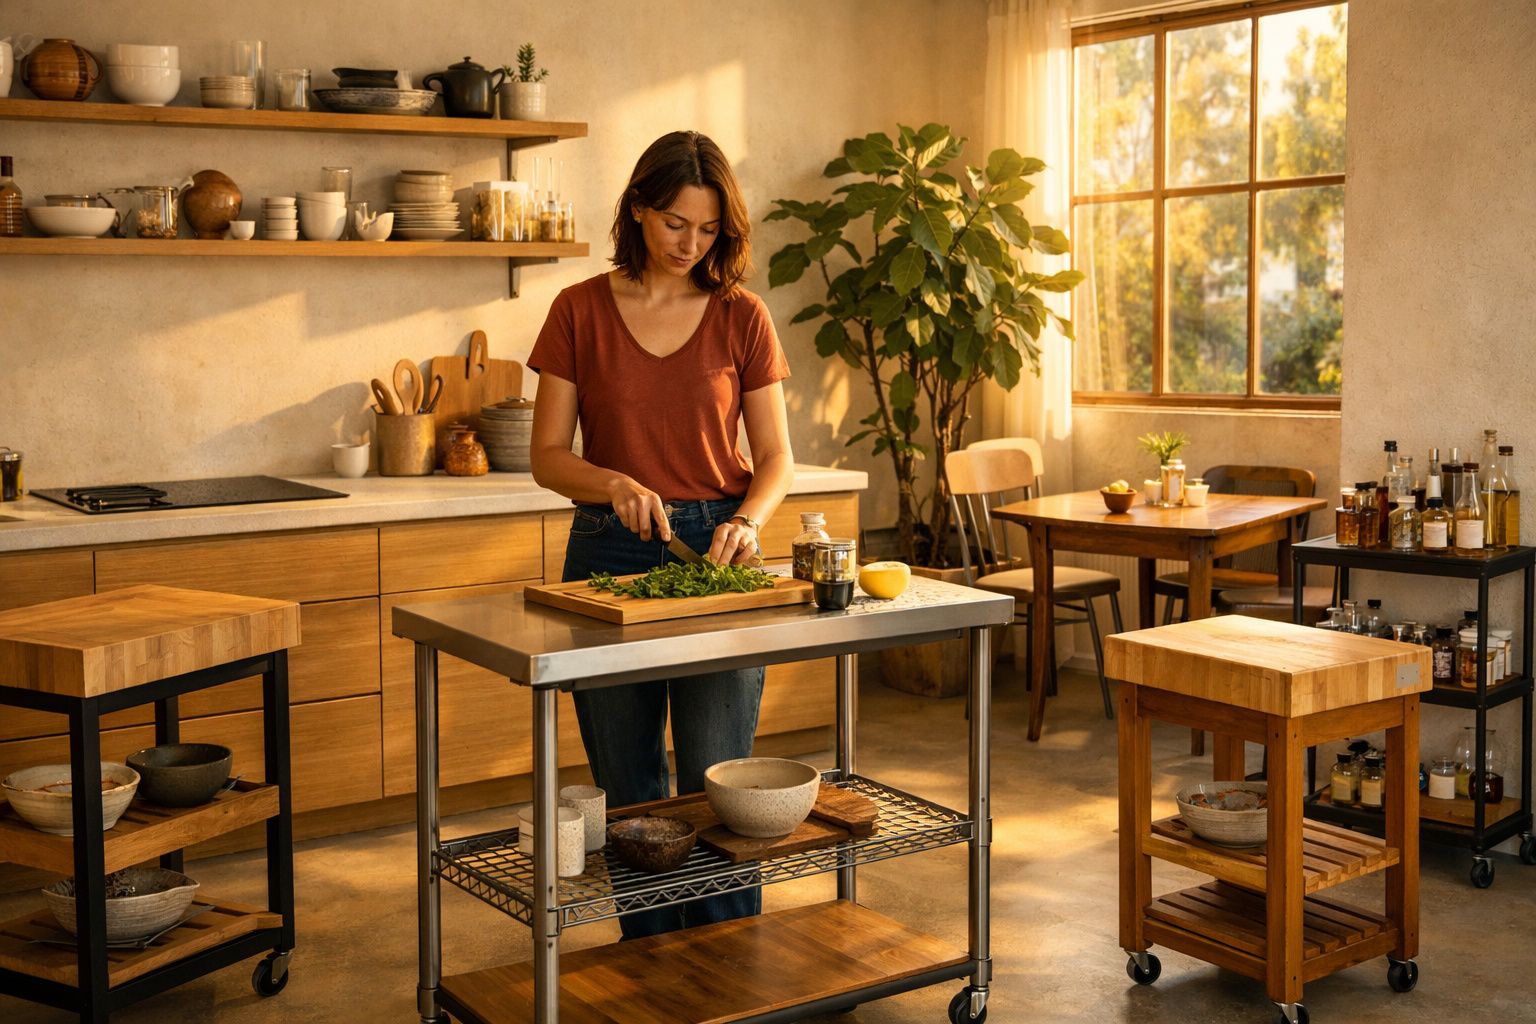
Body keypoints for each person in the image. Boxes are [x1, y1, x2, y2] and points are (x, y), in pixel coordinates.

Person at [527, 130, 795, 938]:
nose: (692, 244)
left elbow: (777, 458)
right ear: (639, 210)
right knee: (633, 791)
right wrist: (609, 482)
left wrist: (748, 521)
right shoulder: (578, 309)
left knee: (722, 782)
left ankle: (726, 959)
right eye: (677, 223)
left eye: (710, 229)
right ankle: (652, 964)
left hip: (717, 549)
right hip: (608, 555)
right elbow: (546, 457)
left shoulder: (742, 315)